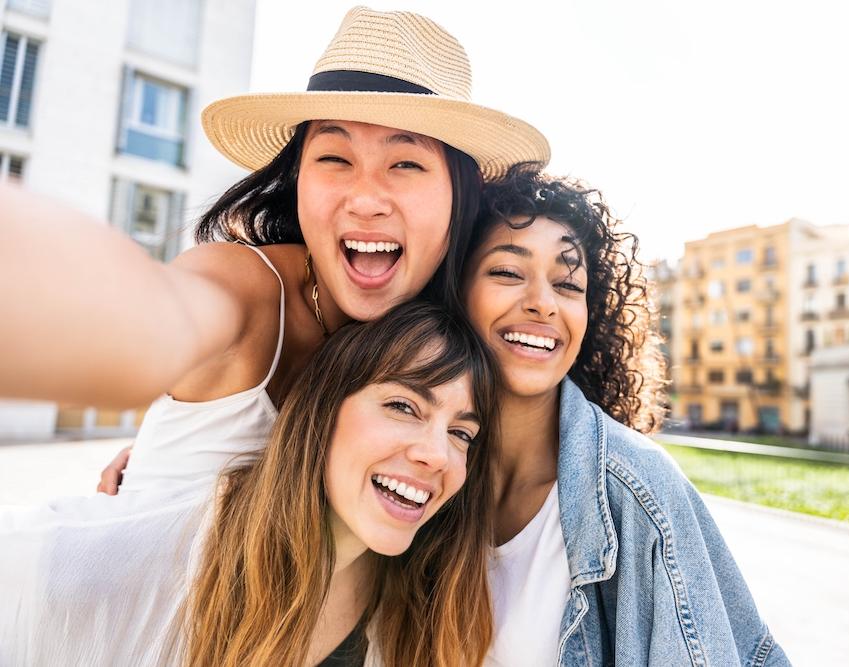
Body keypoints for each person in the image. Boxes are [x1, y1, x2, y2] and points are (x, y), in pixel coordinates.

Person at [0, 6, 548, 493]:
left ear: (461, 194)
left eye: (405, 163)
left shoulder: (449, 335)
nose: (364, 199)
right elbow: (149, 319)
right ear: (297, 177)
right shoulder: (246, 287)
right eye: (334, 158)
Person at [0, 300, 500, 667]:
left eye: (461, 433)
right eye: (403, 406)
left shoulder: (416, 602)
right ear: (321, 411)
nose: (437, 455)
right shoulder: (138, 556)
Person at [462, 166, 792, 666]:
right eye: (508, 272)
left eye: (568, 285)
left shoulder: (639, 492)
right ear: (455, 288)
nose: (542, 304)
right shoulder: (417, 466)